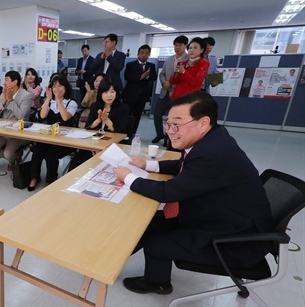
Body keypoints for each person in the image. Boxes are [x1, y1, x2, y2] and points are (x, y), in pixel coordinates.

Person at [113, 91, 273, 294]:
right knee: (151, 221)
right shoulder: (213, 139)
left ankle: (158, 282)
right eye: (168, 124)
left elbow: (167, 193)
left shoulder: (213, 153)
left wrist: (128, 177)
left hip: (236, 240)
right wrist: (149, 165)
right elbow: (184, 164)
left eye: (177, 124)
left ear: (203, 123)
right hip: (225, 218)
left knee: (157, 243)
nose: (170, 131)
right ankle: (111, 261)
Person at [28, 76, 78, 191]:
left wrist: (59, 101)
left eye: (60, 86)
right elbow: (42, 116)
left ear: (66, 88)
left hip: (64, 141)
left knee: (51, 156)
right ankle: (34, 178)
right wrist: (48, 99)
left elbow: (65, 117)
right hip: (49, 137)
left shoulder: (71, 103)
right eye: (54, 86)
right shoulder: (50, 102)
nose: (56, 88)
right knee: (37, 150)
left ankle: (51, 181)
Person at [69, 77, 130, 171]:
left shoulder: (123, 108)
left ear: (117, 93)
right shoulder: (95, 106)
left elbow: (122, 132)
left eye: (112, 92)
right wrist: (98, 120)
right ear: (100, 93)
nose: (109, 95)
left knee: (98, 165)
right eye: (105, 92)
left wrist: (106, 120)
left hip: (112, 148)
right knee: (76, 161)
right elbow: (88, 127)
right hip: (93, 145)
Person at [0, 70, 33, 170]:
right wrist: (3, 102)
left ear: (14, 82)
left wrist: (10, 100)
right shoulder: (2, 94)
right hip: (4, 131)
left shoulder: (26, 96)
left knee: (7, 154)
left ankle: (12, 159)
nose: (4, 83)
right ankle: (16, 156)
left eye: (6, 80)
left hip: (19, 132)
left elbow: (21, 116)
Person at [151, 35, 189, 144]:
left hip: (177, 93)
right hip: (165, 92)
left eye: (180, 45)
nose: (177, 47)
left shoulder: (188, 60)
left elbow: (183, 77)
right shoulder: (169, 59)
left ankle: (168, 138)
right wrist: (164, 82)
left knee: (172, 118)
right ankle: (159, 134)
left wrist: (170, 83)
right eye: (176, 45)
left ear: (185, 46)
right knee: (157, 114)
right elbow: (162, 74)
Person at [122, 45, 157, 136]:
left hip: (142, 96)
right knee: (127, 115)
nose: (144, 55)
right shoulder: (131, 65)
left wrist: (148, 76)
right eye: (142, 53)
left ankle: (133, 133)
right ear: (138, 54)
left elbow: (154, 77)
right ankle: (124, 133)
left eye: (146, 53)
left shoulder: (151, 66)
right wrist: (141, 76)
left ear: (149, 54)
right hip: (129, 95)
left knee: (137, 117)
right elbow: (127, 77)